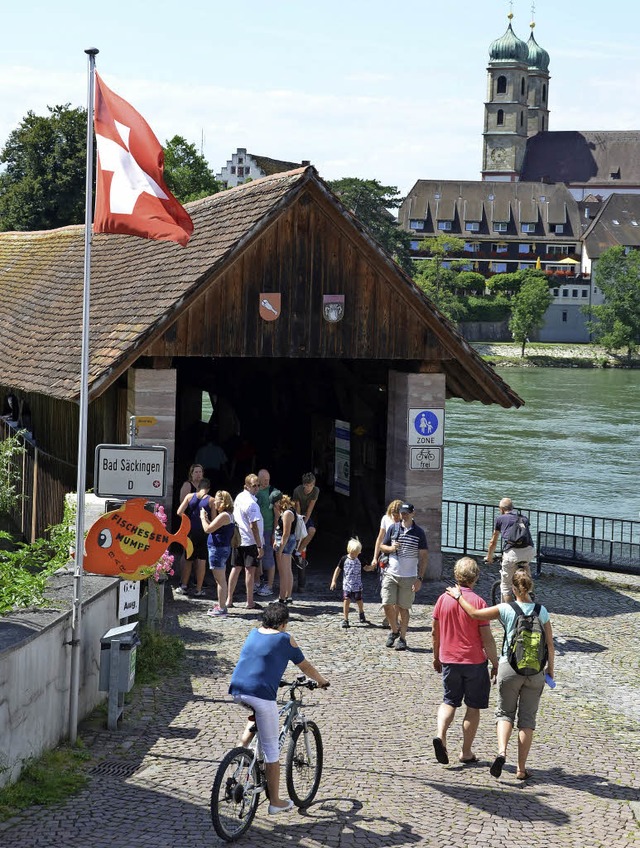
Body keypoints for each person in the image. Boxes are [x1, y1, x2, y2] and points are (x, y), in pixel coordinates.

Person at [446, 568, 555, 780]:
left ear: (513, 589)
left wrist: (459, 597)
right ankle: (521, 769)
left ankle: (502, 752)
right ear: (530, 587)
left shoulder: (506, 608)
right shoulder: (542, 611)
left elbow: (475, 614)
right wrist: (550, 670)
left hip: (509, 668)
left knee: (505, 713)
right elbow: (550, 644)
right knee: (527, 721)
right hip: (535, 672)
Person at [228, 602, 329, 815]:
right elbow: (305, 666)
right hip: (261, 695)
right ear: (283, 624)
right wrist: (321, 680)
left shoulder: (254, 633)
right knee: (272, 751)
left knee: (256, 714)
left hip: (238, 690)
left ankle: (241, 748)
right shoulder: (284, 638)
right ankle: (275, 801)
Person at [432, 556, 499, 765]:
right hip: (474, 662)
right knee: (473, 707)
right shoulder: (478, 602)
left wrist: (436, 656)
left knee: (449, 701)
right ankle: (466, 751)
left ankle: (440, 735)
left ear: (455, 575)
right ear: (476, 577)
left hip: (449, 659)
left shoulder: (443, 599)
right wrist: (495, 663)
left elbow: (435, 631)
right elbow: (487, 638)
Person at [379, 502, 428, 652]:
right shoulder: (393, 528)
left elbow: (424, 557)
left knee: (403, 608)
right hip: (391, 573)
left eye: (406, 512)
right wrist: (391, 548)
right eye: (402, 512)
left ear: (413, 514)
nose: (404, 515)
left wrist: (419, 578)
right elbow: (382, 546)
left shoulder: (419, 532)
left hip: (409, 576)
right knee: (387, 603)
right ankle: (394, 630)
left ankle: (403, 638)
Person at [226, 474, 264, 610]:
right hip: (249, 540)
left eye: (258, 485)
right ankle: (249, 601)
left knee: (235, 569)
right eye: (254, 485)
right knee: (249, 571)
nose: (257, 488)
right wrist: (259, 545)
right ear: (246, 486)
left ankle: (229, 599)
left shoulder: (239, 497)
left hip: (239, 538)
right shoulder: (252, 503)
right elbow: (254, 526)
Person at [487, 497, 536, 602]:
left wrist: (489, 557)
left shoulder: (500, 519)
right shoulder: (524, 518)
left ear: (501, 509)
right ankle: (529, 589)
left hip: (512, 553)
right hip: (529, 551)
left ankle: (509, 615)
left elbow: (493, 542)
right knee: (525, 564)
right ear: (512, 508)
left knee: (506, 586)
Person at [201, 490, 235, 617]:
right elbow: (214, 528)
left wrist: (202, 518)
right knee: (220, 579)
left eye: (217, 500)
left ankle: (221, 608)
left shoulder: (224, 515)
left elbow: (207, 529)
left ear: (223, 502)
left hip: (218, 549)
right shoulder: (225, 515)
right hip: (220, 549)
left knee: (220, 580)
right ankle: (221, 605)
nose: (214, 502)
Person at [175, 478, 211, 596]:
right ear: (208, 488)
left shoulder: (190, 497)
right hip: (203, 533)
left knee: (188, 558)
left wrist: (188, 521)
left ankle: (183, 586)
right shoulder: (211, 500)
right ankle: (198, 589)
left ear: (198, 487)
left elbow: (179, 512)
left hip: (190, 532)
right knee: (201, 560)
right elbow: (213, 520)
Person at [371, 499, 402, 629]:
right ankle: (391, 616)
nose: (395, 518)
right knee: (386, 588)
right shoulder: (385, 519)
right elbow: (380, 538)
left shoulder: (404, 522)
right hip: (385, 557)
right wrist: (375, 557)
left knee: (398, 590)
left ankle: (394, 618)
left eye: (397, 515)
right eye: (393, 515)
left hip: (400, 559)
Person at [330, 537, 370, 628]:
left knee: (359, 600)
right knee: (346, 600)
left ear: (359, 552)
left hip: (357, 585)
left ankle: (361, 612)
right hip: (347, 585)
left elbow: (366, 568)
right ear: (348, 550)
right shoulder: (344, 559)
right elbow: (338, 569)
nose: (354, 555)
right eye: (352, 553)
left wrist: (372, 567)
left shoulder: (360, 559)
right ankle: (345, 619)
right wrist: (333, 580)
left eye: (356, 554)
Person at [270, 490, 296, 605]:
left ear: (278, 502)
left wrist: (280, 549)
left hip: (286, 543)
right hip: (287, 542)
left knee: (284, 572)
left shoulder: (287, 514)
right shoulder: (288, 510)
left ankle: (282, 598)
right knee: (288, 570)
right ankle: (288, 596)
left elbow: (286, 533)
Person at [255, 468, 275, 596]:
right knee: (257, 556)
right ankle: (257, 582)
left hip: (267, 529)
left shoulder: (273, 492)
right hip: (256, 530)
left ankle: (269, 585)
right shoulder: (254, 492)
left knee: (269, 557)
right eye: (264, 480)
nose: (267, 482)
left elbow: (277, 514)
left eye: (268, 479)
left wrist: (274, 531)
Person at [292, 472, 319, 560]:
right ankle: (292, 550)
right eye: (307, 485)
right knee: (297, 532)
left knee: (311, 531)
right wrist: (299, 522)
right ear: (303, 485)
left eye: (311, 485)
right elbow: (297, 507)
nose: (309, 488)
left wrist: (305, 522)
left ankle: (298, 552)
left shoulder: (316, 491)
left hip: (306, 514)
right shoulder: (297, 491)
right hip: (296, 513)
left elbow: (310, 508)